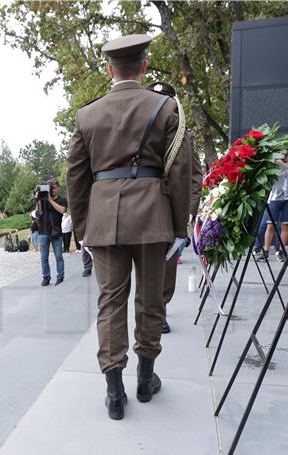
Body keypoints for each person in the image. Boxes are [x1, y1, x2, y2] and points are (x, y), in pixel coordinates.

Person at [66, 34, 193, 420]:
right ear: (144, 66)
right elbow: (181, 171)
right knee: (150, 300)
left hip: (104, 221)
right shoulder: (167, 108)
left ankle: (115, 392)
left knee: (110, 303)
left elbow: (76, 177)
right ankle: (145, 379)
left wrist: (83, 229)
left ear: (109, 70)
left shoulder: (87, 115)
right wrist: (179, 227)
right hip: (154, 219)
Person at [146, 80, 203, 335]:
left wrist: (189, 210)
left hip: (170, 207)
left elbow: (194, 175)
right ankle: (147, 309)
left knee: (167, 264)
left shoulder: (184, 134)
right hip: (142, 207)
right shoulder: (140, 129)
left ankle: (161, 309)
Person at [258, 150, 288, 262]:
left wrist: (282, 163)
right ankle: (265, 252)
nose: (285, 155)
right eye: (282, 153)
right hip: (275, 198)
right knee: (270, 225)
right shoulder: (273, 164)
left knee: (285, 226)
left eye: (286, 153)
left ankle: (281, 252)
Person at [35, 179, 67, 286]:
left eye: (53, 187)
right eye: (50, 187)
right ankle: (46, 277)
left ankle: (60, 276)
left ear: (58, 188)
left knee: (58, 256)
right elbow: (39, 213)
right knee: (44, 257)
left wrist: (49, 200)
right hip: (43, 231)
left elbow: (62, 210)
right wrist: (39, 200)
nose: (52, 190)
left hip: (56, 232)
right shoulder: (43, 199)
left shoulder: (62, 200)